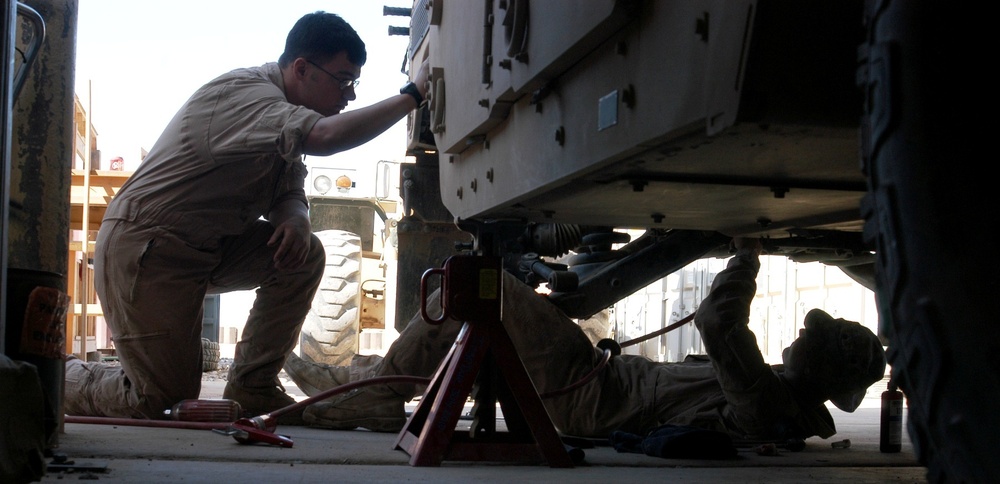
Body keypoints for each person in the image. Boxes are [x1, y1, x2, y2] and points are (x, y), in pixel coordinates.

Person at [64, 11, 429, 424]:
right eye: (343, 81)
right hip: (150, 249)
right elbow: (326, 137)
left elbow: (289, 188)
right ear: (302, 69)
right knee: (158, 398)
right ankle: (58, 376)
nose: (349, 96)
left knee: (303, 253)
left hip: (206, 248)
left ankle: (252, 386)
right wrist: (412, 96)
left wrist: (296, 218)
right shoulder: (245, 95)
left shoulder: (284, 116)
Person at [286, 237, 887, 441]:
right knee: (471, 284)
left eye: (820, 335)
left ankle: (370, 392)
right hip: (597, 382)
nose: (808, 330)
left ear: (829, 370)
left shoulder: (773, 404)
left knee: (476, 285)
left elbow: (716, 323)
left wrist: (745, 255)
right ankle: (367, 385)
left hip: (591, 400)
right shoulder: (780, 393)